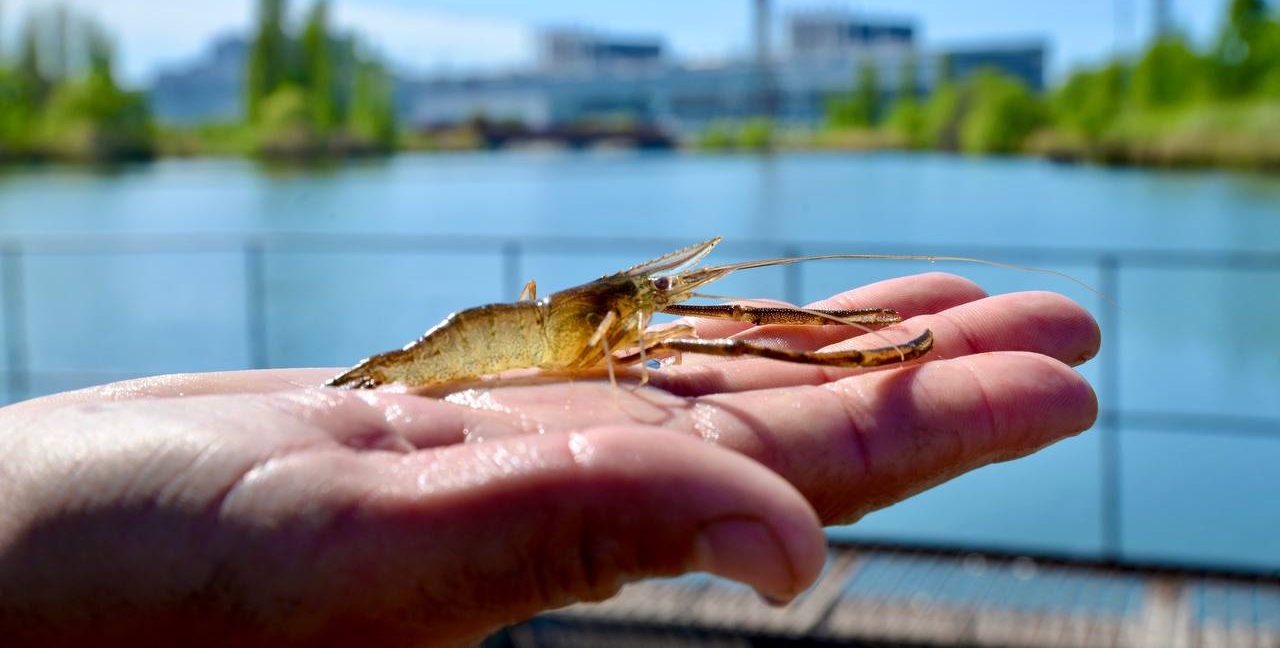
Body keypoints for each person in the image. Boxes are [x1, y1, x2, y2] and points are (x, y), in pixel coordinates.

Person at [0, 273, 1098, 647]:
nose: (654, 311)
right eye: (640, 301)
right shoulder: (584, 334)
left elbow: (656, 326)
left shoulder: (614, 316)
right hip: (438, 359)